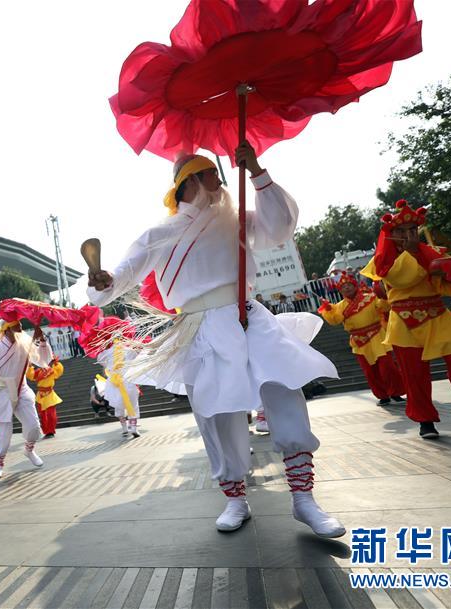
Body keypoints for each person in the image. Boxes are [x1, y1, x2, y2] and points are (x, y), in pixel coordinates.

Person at [87, 142, 343, 537]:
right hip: (199, 327)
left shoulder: (236, 218)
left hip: (248, 315)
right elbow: (120, 277)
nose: (220, 181)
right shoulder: (157, 233)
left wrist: (256, 171)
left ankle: (303, 498)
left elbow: (280, 228)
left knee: (282, 389)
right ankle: (235, 499)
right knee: (217, 413)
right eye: (211, 174)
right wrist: (104, 282)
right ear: (191, 182)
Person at [360, 200, 451, 439]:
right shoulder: (383, 260)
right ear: (391, 235)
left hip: (438, 315)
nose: (408, 234)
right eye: (401, 231)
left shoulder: (435, 253)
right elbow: (402, 280)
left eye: (412, 230)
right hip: (404, 320)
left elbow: (449, 289)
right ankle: (425, 419)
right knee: (414, 374)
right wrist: (414, 254)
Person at [0, 320, 50, 479]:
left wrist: (41, 341)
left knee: (33, 426)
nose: (21, 329)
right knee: (4, 433)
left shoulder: (25, 343)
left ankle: (29, 449)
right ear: (7, 330)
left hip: (21, 389)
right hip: (3, 391)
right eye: (17, 326)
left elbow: (43, 360)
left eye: (21, 326)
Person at [318, 271, 405, 405]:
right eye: (343, 287)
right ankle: (383, 396)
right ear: (340, 291)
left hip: (377, 335)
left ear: (355, 286)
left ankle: (396, 392)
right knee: (370, 371)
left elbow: (384, 306)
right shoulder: (339, 306)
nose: (346, 288)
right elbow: (335, 320)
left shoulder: (369, 297)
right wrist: (328, 308)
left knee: (387, 367)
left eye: (349, 285)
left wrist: (383, 295)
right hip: (359, 341)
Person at [82, 317, 142, 438]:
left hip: (114, 382)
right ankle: (133, 427)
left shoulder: (105, 353)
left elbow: (100, 360)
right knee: (133, 403)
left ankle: (125, 428)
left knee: (119, 405)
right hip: (128, 380)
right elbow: (137, 356)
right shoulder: (129, 348)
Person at [27, 356, 64, 438]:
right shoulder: (38, 372)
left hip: (49, 394)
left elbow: (59, 371)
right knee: (43, 414)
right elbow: (31, 376)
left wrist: (56, 363)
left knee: (51, 414)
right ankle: (46, 431)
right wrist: (29, 366)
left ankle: (51, 431)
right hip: (40, 395)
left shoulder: (51, 370)